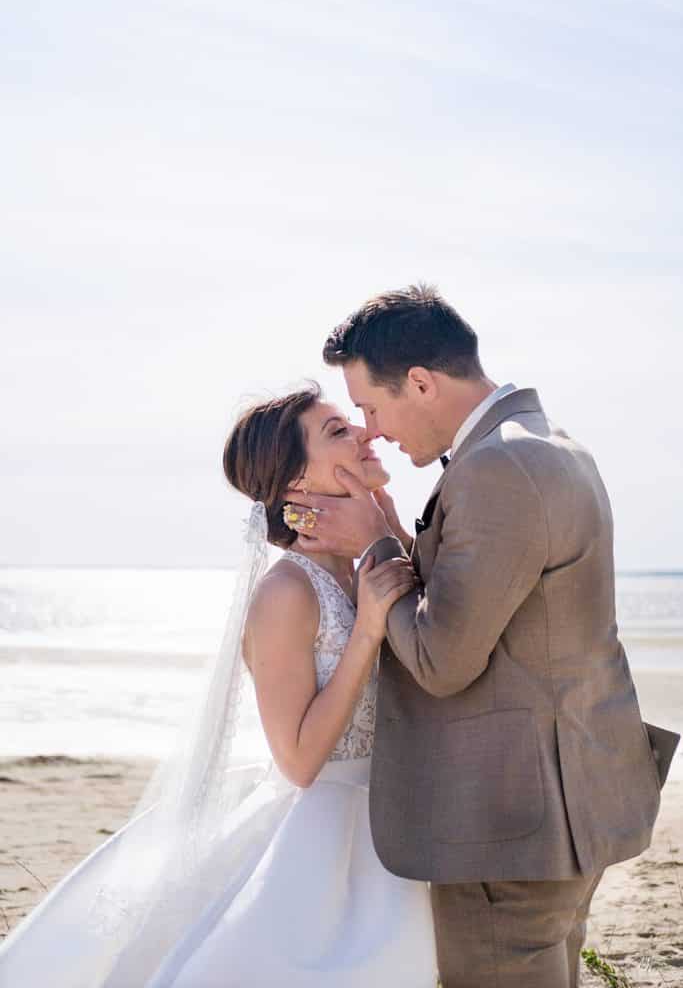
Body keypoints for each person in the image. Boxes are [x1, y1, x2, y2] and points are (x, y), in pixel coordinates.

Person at [283, 284, 680, 988]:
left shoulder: (501, 466)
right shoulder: (543, 445)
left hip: (511, 822)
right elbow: (495, 606)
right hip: (562, 807)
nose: (370, 430)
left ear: (421, 383)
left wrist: (377, 548)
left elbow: (441, 661)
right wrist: (400, 542)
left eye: (372, 408)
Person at [0, 382, 438, 987]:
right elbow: (299, 762)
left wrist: (388, 534)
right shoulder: (287, 591)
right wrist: (365, 631)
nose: (364, 433)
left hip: (397, 818)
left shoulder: (371, 562)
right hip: (324, 836)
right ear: (295, 485)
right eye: (338, 431)